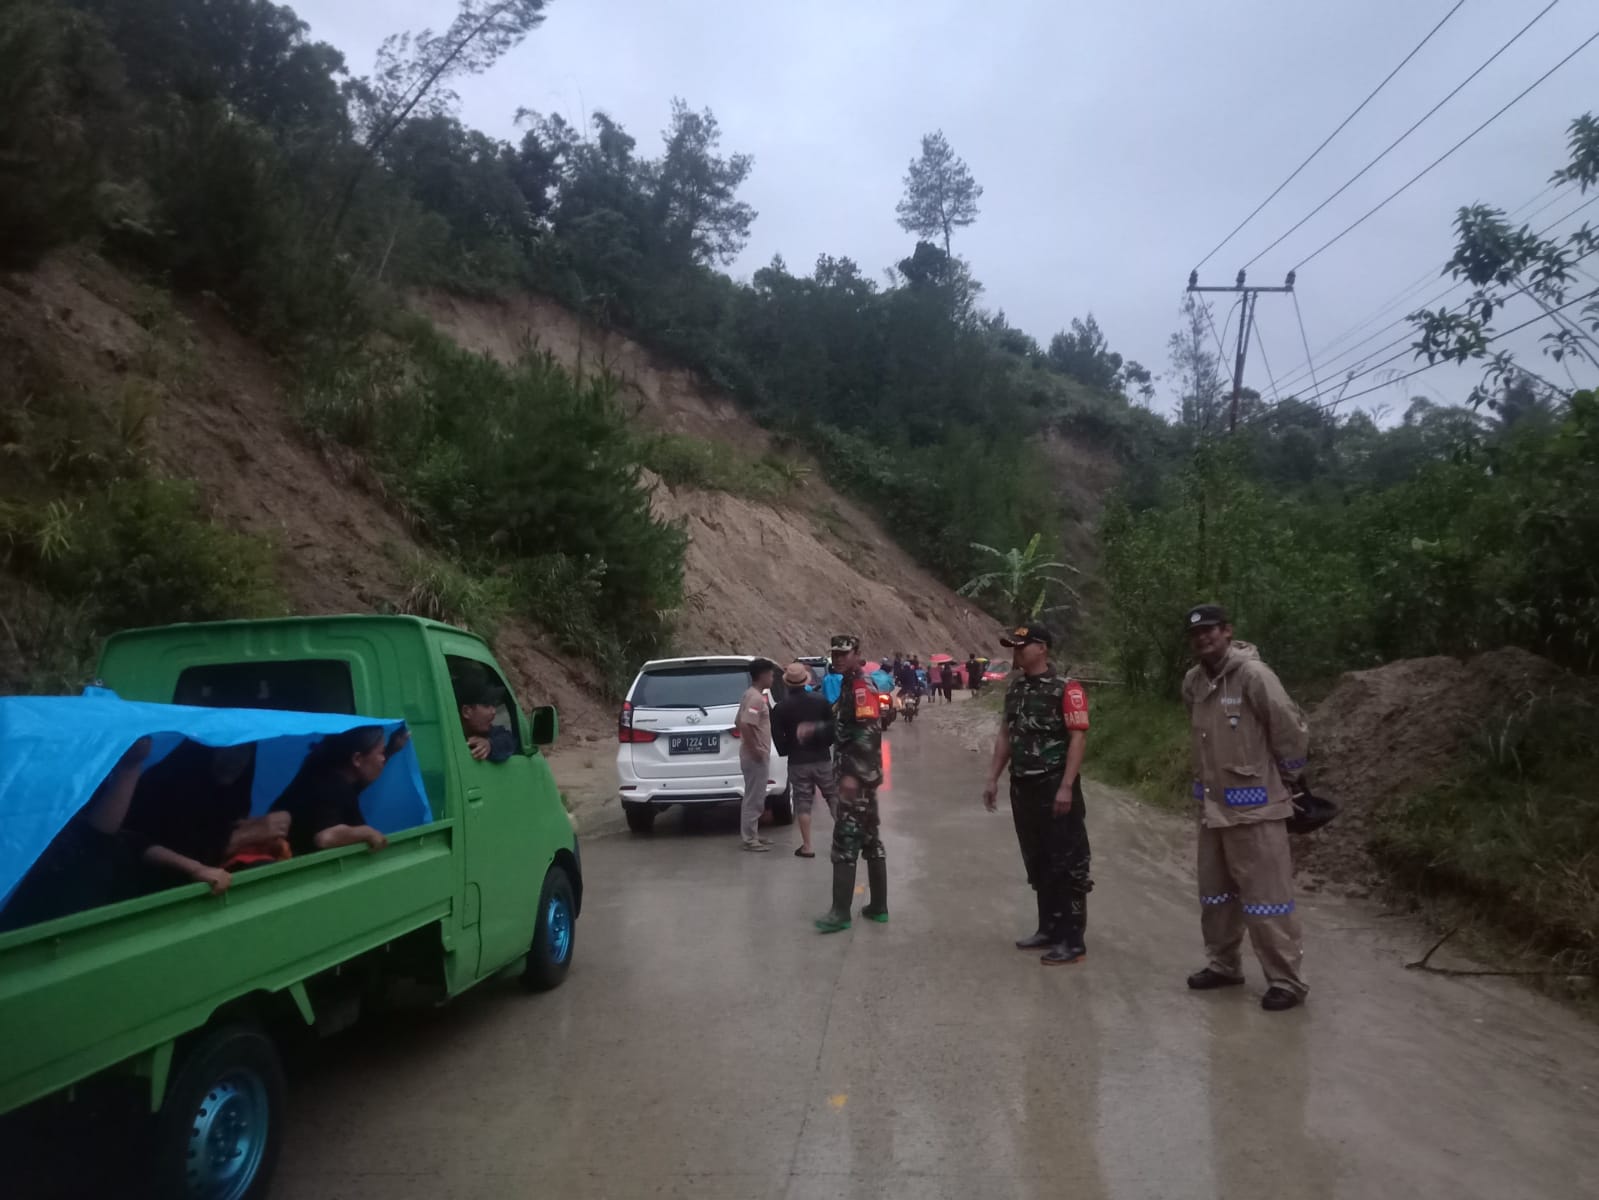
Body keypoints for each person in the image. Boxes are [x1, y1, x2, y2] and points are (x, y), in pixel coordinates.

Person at [1181, 604, 1310, 1011]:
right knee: (1216, 898)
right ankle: (1223, 965)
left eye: (1211, 631)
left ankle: (1286, 981)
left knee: (1267, 899)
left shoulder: (1254, 675)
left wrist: (1290, 778)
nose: (1204, 638)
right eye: (1197, 634)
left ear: (1227, 631)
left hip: (1258, 811)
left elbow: (1288, 727)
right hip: (1214, 810)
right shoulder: (1194, 682)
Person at [1, 738, 232, 933]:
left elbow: (127, 842)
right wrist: (130, 767)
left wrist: (196, 869)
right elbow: (99, 836)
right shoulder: (31, 834)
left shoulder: (89, 829)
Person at [982, 624, 1092, 965]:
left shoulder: (1066, 689)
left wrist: (1066, 786)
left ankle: (1072, 940)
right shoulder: (1015, 689)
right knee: (1038, 859)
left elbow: (1077, 738)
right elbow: (1005, 735)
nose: (1015, 652)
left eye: (1021, 646)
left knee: (1068, 862)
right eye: (1013, 647)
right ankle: (1049, 928)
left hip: (1053, 784)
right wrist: (993, 778)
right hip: (1023, 786)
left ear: (1042, 648)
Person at [124, 740, 290, 881]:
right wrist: (246, 836)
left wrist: (257, 831)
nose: (236, 759)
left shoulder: (231, 790)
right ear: (203, 750)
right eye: (226, 747)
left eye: (244, 750)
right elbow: (153, 849)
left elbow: (211, 832)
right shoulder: (162, 786)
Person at [815, 634, 888, 931]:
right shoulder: (847, 684)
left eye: (844, 653)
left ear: (858, 654)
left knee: (844, 842)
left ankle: (840, 913)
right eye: (835, 653)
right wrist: (817, 729)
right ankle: (879, 907)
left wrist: (849, 776)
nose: (838, 658)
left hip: (856, 779)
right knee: (870, 840)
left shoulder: (860, 686)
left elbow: (867, 734)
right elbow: (843, 725)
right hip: (864, 778)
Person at [271, 725, 408, 856]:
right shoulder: (329, 787)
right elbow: (325, 838)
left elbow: (359, 784)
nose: (382, 758)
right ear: (357, 759)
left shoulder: (325, 775)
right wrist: (366, 832)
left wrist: (390, 750)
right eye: (381, 753)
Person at [772, 662, 839, 858]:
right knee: (832, 796)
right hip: (821, 758)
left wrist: (789, 748)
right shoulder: (820, 701)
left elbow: (779, 740)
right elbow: (832, 730)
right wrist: (823, 743)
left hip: (797, 761)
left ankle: (808, 846)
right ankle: (844, 840)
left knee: (803, 801)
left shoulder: (780, 709)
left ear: (786, 684)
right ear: (805, 681)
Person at [734, 659, 777, 852]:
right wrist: (756, 749)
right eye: (770, 674)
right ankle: (750, 838)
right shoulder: (756, 699)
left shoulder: (749, 695)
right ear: (762, 675)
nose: (773, 678)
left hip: (751, 753)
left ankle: (753, 833)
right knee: (754, 797)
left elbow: (738, 721)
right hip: (755, 756)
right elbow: (745, 724)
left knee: (756, 795)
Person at [458, 679, 516, 763]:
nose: (494, 711)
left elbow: (508, 740)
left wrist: (490, 745)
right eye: (487, 704)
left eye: (494, 704)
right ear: (466, 711)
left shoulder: (490, 733)